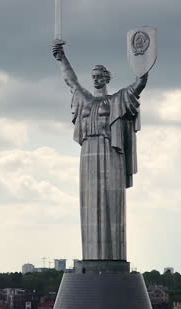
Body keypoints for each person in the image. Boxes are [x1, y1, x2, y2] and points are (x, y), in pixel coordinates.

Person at [52, 41, 148, 261]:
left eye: (99, 76)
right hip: (88, 153)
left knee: (110, 201)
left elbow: (139, 84)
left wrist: (142, 61)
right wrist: (62, 58)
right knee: (89, 202)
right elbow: (70, 81)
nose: (95, 79)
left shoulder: (116, 100)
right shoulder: (84, 100)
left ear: (107, 78)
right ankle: (91, 257)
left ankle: (112, 257)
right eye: (93, 76)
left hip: (109, 151)